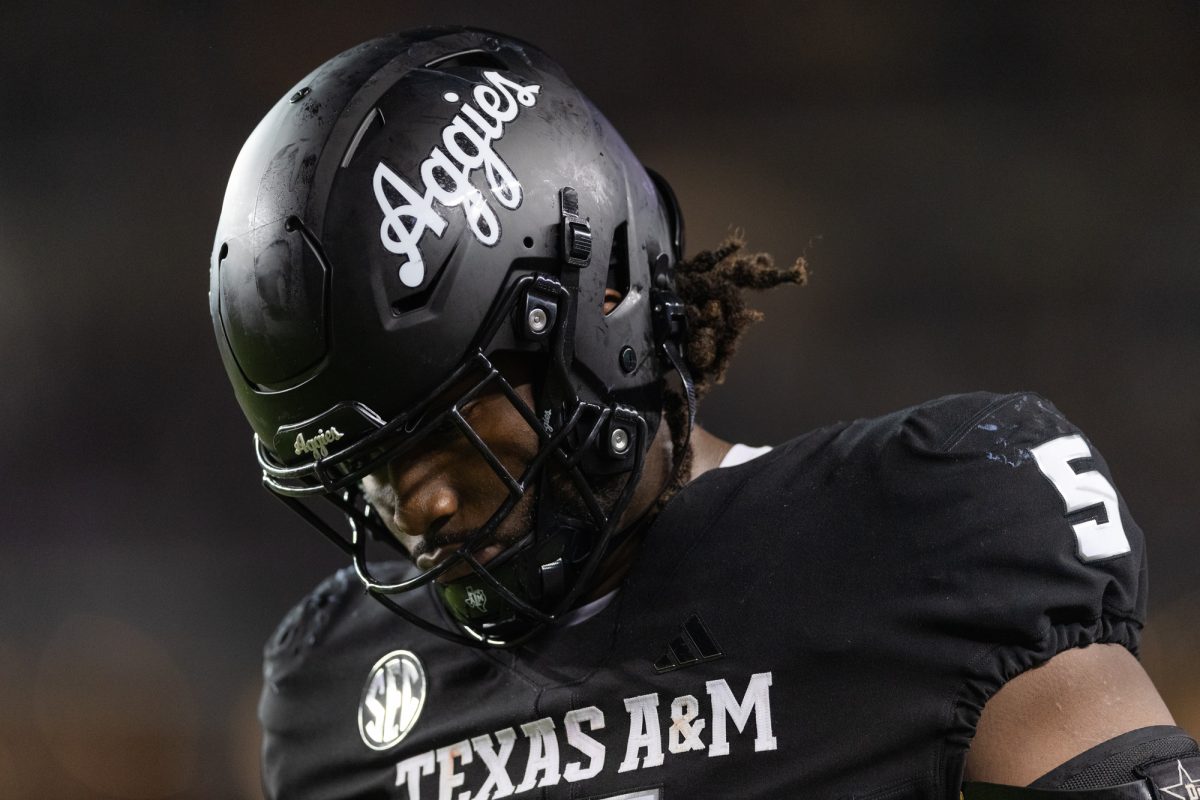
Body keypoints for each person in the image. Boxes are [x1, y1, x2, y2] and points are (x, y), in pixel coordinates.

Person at [210, 27, 1197, 800]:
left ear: (597, 304)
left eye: (438, 428)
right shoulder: (336, 700)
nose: (410, 503)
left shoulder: (917, 537)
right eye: (363, 468)